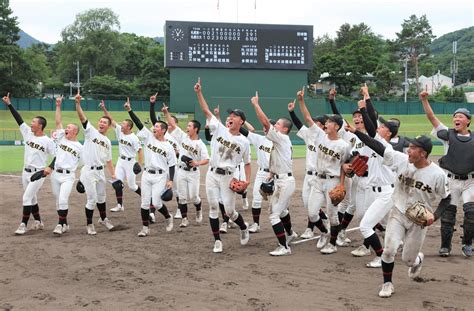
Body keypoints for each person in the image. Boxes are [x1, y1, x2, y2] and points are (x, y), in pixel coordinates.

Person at [346, 124, 451, 298]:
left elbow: (447, 198)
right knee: (388, 251)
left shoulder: (437, 174)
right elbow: (378, 147)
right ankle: (387, 284)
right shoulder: (401, 160)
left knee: (407, 260)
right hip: (398, 212)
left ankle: (417, 259)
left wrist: (435, 215)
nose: (408, 150)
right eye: (409, 147)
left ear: (423, 153)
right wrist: (356, 132)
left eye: (413, 148)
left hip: (419, 221)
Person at [194, 77, 251, 253]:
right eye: (230, 115)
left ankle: (243, 227)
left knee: (230, 211)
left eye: (234, 116)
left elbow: (247, 163)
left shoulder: (244, 142)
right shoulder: (219, 129)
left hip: (227, 176)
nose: (230, 117)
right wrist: (199, 92)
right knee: (212, 207)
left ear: (241, 121)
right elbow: (205, 110)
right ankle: (217, 240)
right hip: (212, 174)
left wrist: (247, 181)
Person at [297, 88, 352, 254]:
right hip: (318, 180)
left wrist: (341, 185)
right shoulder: (320, 136)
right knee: (312, 213)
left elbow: (345, 166)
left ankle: (332, 244)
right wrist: (301, 101)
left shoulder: (343, 146)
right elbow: (307, 118)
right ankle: (323, 232)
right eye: (326, 122)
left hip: (333, 180)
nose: (326, 124)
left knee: (333, 215)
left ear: (336, 126)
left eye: (329, 122)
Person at [420, 91, 473, 257]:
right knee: (448, 215)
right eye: (455, 116)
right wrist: (424, 100)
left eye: (461, 116)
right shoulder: (448, 135)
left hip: (470, 182)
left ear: (468, 121)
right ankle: (445, 246)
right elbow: (431, 117)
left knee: (471, 213)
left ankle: (467, 243)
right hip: (451, 181)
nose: (457, 119)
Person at [251, 91, 297, 256]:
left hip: (285, 183)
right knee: (282, 211)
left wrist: (256, 104)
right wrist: (271, 174)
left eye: (277, 124)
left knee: (273, 215)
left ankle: (284, 247)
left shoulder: (282, 138)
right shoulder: (281, 141)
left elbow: (264, 122)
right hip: (280, 179)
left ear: (284, 129)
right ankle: (290, 233)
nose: (274, 126)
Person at [2, 92, 56, 235]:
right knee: (32, 198)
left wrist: (49, 167)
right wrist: (9, 105)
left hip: (38, 173)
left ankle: (23, 225)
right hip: (25, 172)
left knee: (26, 197)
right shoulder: (28, 133)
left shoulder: (48, 141)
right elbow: (18, 119)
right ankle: (39, 222)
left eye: (34, 122)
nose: (31, 123)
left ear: (40, 125)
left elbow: (58, 156)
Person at [125, 100, 176, 236]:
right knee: (144, 203)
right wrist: (130, 110)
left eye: (158, 126)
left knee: (157, 203)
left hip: (160, 176)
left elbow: (172, 165)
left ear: (163, 130)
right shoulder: (149, 137)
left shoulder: (168, 147)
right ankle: (145, 228)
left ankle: (168, 217)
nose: (155, 128)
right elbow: (138, 123)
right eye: (155, 126)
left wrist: (170, 180)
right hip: (147, 174)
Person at [75, 91, 116, 235]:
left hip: (100, 171)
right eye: (100, 121)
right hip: (89, 171)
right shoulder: (91, 132)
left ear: (109, 126)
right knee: (91, 199)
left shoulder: (108, 142)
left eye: (105, 122)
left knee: (102, 197)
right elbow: (82, 118)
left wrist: (113, 175)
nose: (101, 123)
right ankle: (89, 224)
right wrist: (78, 104)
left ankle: (103, 219)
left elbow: (109, 160)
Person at [162, 103, 209, 227]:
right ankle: (184, 219)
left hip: (193, 172)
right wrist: (166, 113)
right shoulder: (183, 137)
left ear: (196, 129)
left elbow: (206, 159)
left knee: (194, 197)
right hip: (181, 171)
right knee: (182, 197)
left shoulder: (200, 144)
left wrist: (196, 163)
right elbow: (172, 124)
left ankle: (199, 210)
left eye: (189, 126)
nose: (187, 127)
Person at [99, 99, 143, 212]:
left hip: (130, 162)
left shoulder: (134, 138)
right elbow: (110, 120)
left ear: (129, 127)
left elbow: (140, 151)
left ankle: (146, 198)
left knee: (132, 186)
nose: (121, 125)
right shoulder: (119, 131)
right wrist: (104, 108)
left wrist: (139, 163)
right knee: (117, 182)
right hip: (120, 161)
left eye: (123, 124)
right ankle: (120, 205)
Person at [51, 96, 83, 235]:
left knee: (63, 199)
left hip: (68, 176)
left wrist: (82, 179)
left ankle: (59, 225)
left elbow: (83, 164)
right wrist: (58, 105)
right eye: (67, 127)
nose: (66, 129)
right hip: (55, 174)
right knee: (58, 201)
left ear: (75, 132)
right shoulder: (61, 138)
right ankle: (64, 223)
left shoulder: (79, 147)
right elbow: (58, 122)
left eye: (69, 128)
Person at [149, 93, 181, 220]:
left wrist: (178, 153)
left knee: (176, 189)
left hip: (173, 166)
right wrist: (152, 104)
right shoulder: (162, 135)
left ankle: (179, 209)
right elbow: (153, 119)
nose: (168, 123)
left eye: (171, 121)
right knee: (155, 190)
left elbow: (180, 152)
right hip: (161, 166)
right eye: (167, 122)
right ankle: (152, 212)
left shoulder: (179, 135)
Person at [239, 119, 274, 233]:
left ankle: (287, 227)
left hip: (276, 174)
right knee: (256, 199)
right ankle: (256, 224)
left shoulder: (279, 142)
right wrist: (239, 122)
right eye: (264, 126)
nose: (265, 128)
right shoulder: (259, 139)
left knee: (278, 201)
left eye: (267, 126)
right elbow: (246, 132)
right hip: (261, 173)